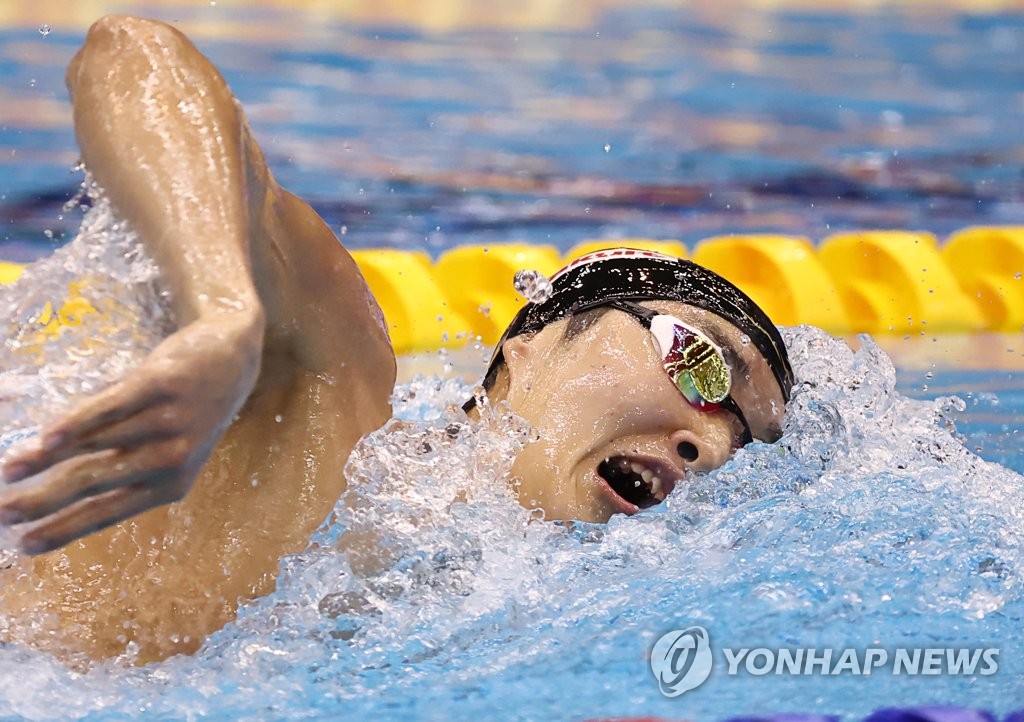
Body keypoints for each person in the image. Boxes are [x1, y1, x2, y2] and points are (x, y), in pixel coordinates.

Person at [0, 16, 792, 664]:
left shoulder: (543, 628)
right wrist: (223, 318)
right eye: (699, 361)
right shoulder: (330, 400)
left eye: (744, 441)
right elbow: (133, 55)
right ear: (536, 343)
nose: (713, 447)